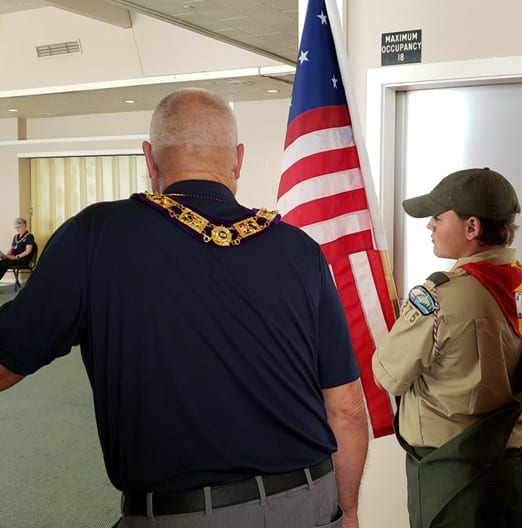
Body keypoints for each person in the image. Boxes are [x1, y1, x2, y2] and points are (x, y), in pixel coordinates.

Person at [0, 88, 368, 528]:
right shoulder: (301, 250)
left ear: (149, 159)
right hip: (310, 502)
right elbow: (346, 408)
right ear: (239, 159)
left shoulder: (96, 236)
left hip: (186, 516)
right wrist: (348, 510)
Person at [372, 167, 522, 528]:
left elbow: (387, 375)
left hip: (455, 485)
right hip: (517, 475)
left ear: (472, 228)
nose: (430, 226)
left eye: (438, 217)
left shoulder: (441, 297)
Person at [0, 217, 35, 283]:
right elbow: (11, 249)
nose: (17, 229)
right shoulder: (16, 236)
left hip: (23, 259)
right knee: (1, 262)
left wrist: (17, 257)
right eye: (16, 227)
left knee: (5, 264)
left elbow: (28, 251)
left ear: (24, 226)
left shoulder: (29, 236)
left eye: (19, 227)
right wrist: (6, 255)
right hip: (14, 257)